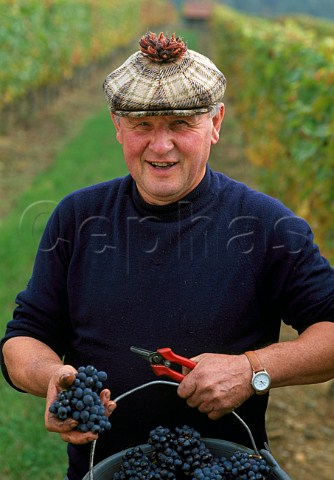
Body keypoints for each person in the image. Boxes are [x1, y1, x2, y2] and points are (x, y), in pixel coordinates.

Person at [1, 31, 334, 480]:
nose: (161, 146)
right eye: (142, 125)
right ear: (118, 126)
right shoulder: (77, 217)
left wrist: (253, 369)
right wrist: (52, 379)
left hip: (226, 469)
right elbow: (24, 336)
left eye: (180, 124)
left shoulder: (267, 225)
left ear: (215, 123)